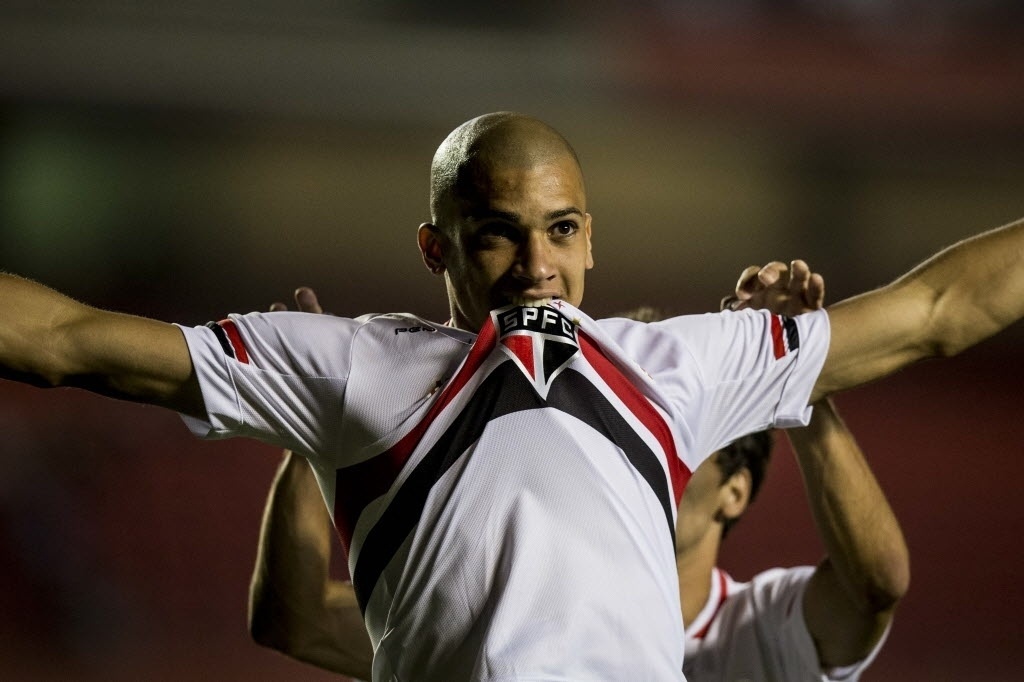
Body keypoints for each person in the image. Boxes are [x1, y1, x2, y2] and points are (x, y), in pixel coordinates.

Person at [0, 110, 1020, 680]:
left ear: (591, 236)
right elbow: (61, 343)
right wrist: (303, 429)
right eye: (497, 231)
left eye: (563, 229)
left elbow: (937, 310)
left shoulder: (676, 364)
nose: (537, 263)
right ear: (434, 247)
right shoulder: (347, 364)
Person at [248, 293, 907, 682]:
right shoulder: (504, 607)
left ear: (735, 492)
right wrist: (321, 424)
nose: (626, 451)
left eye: (676, 440)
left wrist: (799, 387)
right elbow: (295, 619)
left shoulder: (762, 628)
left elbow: (875, 584)